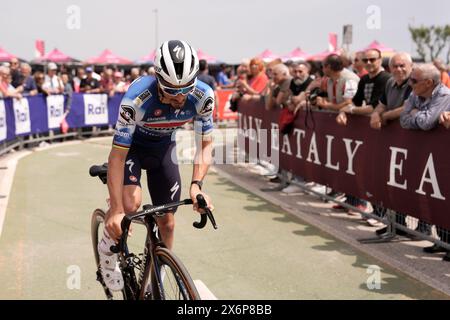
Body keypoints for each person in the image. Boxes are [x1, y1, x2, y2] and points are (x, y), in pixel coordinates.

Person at [98, 40, 215, 291]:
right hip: (133, 150)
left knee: (168, 223)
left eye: (186, 88)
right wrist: (117, 208)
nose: (180, 97)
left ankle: (156, 280)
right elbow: (117, 156)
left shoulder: (203, 95)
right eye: (172, 90)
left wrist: (197, 185)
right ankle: (107, 255)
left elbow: (205, 145)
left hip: (163, 149)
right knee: (130, 204)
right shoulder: (137, 99)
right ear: (158, 78)